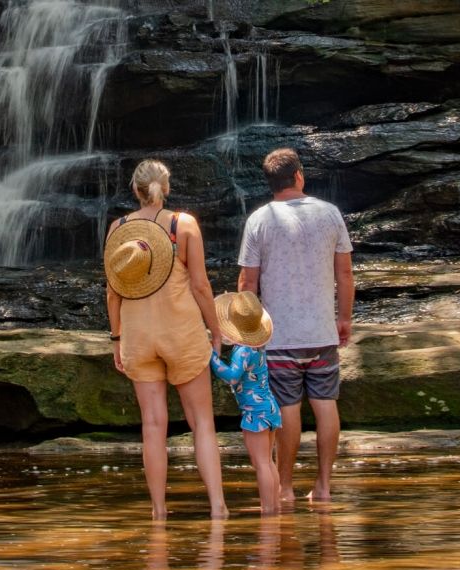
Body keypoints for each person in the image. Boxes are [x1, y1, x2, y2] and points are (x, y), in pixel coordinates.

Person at [104, 158, 228, 520]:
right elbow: (201, 286)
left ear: (135, 190)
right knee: (202, 422)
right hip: (181, 332)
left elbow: (113, 292)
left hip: (139, 336)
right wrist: (216, 330)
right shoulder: (182, 224)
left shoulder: (118, 229)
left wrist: (116, 339)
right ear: (166, 188)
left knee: (153, 426)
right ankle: (217, 507)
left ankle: (158, 512)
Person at [238, 148, 354, 501]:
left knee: (287, 409)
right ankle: (323, 486)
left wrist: (247, 332)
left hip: (279, 338)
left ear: (271, 183)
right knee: (325, 404)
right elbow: (345, 274)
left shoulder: (259, 219)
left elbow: (247, 284)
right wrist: (344, 318)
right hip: (321, 333)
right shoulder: (330, 214)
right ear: (299, 176)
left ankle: (285, 487)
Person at [210, 291, 281, 515]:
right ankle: (275, 506)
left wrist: (210, 356)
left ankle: (267, 510)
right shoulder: (258, 348)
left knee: (260, 463)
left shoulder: (242, 351)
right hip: (270, 408)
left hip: (254, 412)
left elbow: (232, 376)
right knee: (268, 462)